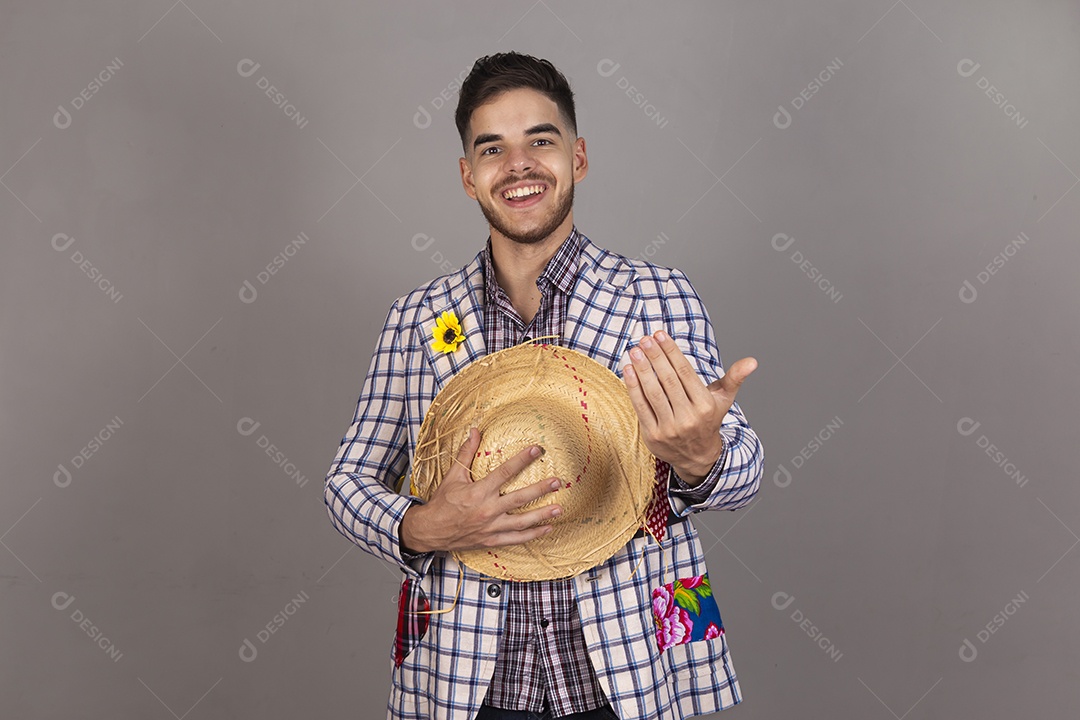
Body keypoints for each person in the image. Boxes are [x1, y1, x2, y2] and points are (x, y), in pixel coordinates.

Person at [324, 51, 763, 720]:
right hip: (468, 682)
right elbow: (346, 482)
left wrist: (703, 457)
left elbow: (746, 472)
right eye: (493, 148)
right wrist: (420, 524)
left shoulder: (657, 298)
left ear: (578, 158)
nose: (519, 164)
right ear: (468, 176)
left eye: (541, 141)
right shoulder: (417, 320)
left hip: (632, 673)